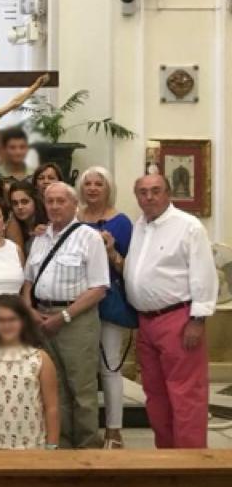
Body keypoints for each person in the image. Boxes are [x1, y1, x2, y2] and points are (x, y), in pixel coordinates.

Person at [125, 173, 217, 449]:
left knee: (186, 395)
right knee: (155, 395)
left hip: (178, 319)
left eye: (155, 191)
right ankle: (166, 459)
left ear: (168, 194)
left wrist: (197, 320)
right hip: (146, 322)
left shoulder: (188, 227)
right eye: (143, 192)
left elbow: (203, 274)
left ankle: (191, 467)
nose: (149, 197)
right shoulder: (140, 225)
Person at [22, 182, 109, 449]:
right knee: (54, 388)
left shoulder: (89, 237)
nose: (55, 206)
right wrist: (30, 311)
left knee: (81, 389)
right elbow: (27, 283)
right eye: (50, 201)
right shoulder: (39, 240)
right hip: (42, 318)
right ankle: (62, 446)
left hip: (76, 321)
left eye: (61, 201)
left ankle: (87, 450)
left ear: (74, 204)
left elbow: (99, 288)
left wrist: (64, 317)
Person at [76, 166, 136, 449]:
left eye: (98, 184)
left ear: (108, 187)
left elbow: (131, 269)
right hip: (77, 302)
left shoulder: (121, 223)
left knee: (109, 366)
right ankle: (83, 428)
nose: (92, 188)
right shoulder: (73, 219)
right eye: (87, 184)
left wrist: (112, 252)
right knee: (81, 368)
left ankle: (114, 429)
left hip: (108, 302)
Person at [0, 294, 60, 450]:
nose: (6, 325)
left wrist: (52, 445)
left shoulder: (40, 359)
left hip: (31, 446)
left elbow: (51, 406)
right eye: (0, 320)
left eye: (12, 319)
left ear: (24, 322)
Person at [6, 180, 48, 254]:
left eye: (25, 202)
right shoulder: (12, 224)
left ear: (35, 201)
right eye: (15, 203)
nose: (20, 207)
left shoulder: (48, 222)